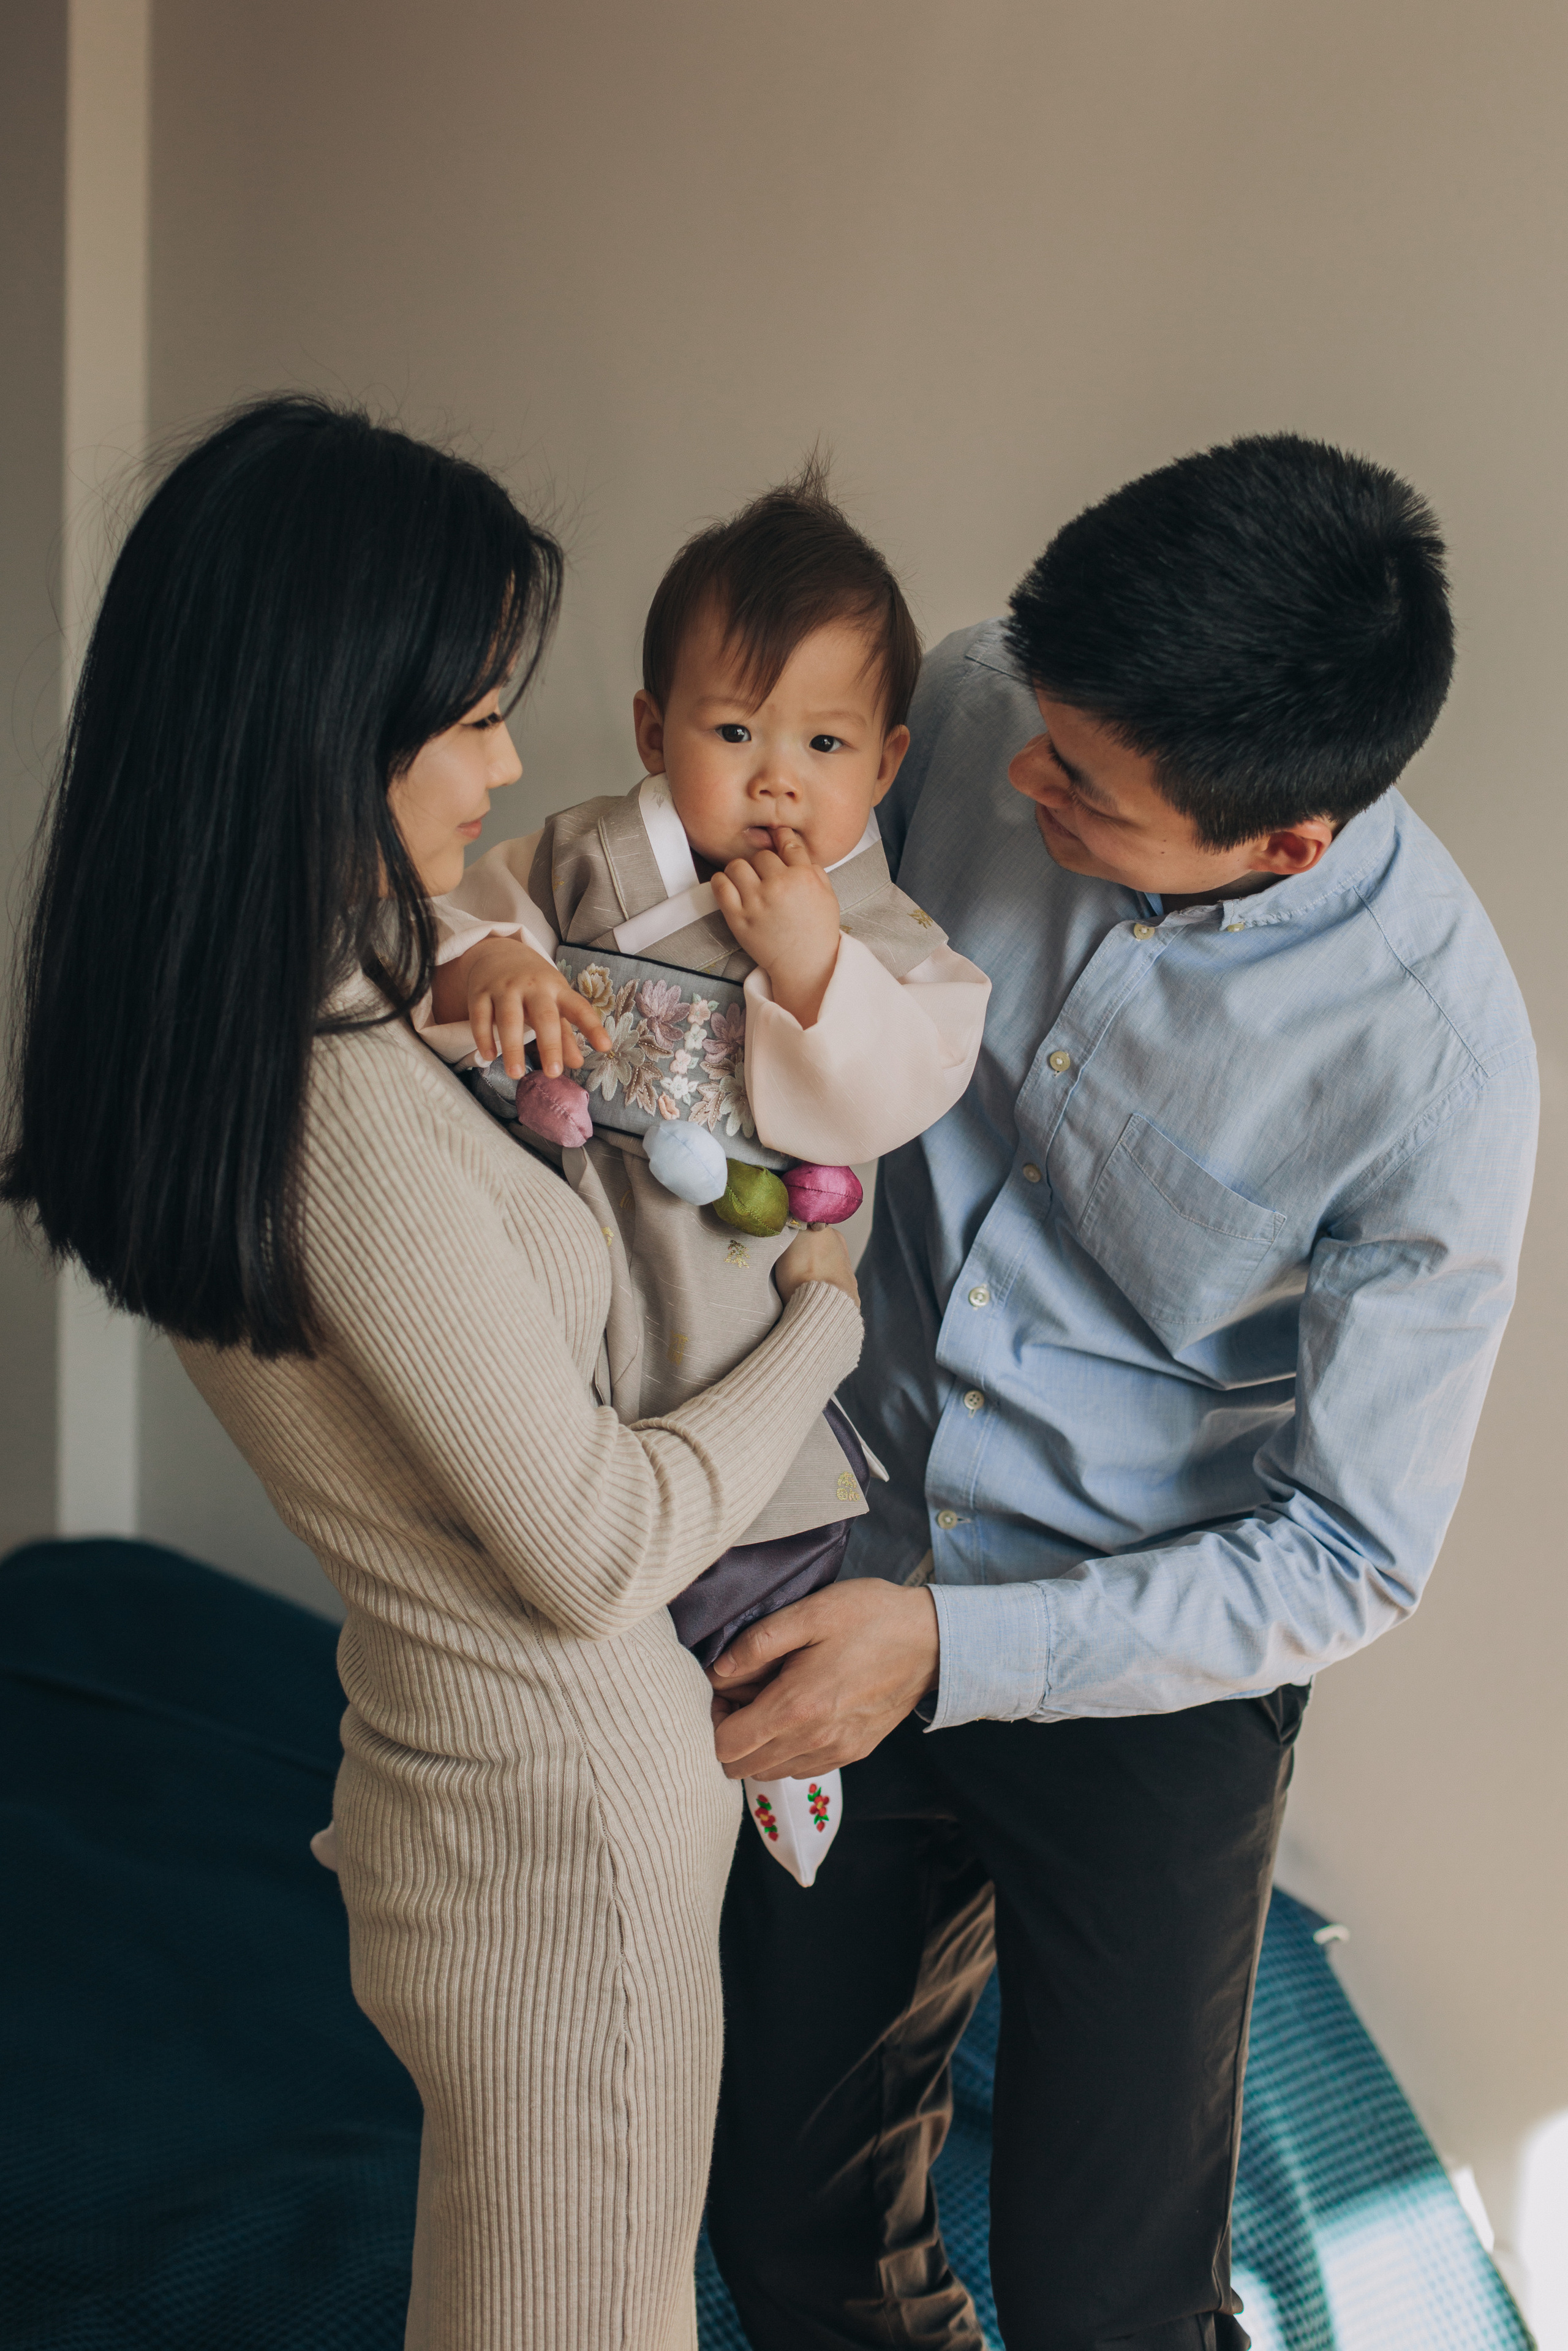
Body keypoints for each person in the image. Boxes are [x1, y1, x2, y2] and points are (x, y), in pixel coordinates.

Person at [1, 395, 864, 2351]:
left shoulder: (252, 1010)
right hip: (555, 1814)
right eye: (473, 713)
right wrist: (824, 1317)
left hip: (461, 1791)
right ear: (325, 722)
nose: (507, 760)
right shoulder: (342, 1096)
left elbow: (482, 938)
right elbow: (587, 1542)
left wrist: (481, 964)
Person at [703, 434, 1539, 2350]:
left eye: (1083, 787)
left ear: (1284, 843)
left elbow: (1351, 1548)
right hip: (847, 1537)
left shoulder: (1441, 1070)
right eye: (1035, 728)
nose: (1013, 779)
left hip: (1147, 1648)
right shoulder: (1003, 688)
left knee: (1114, 2298)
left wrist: (949, 1645)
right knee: (782, 2215)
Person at [419, 466, 990, 1876]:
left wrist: (810, 965)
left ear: (889, 762)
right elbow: (445, 917)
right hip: (564, 1282)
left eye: (823, 742)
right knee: (537, 1587)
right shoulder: (589, 859)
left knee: (751, 1601)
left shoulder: (888, 935)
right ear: (651, 726)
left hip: (739, 1325)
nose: (775, 776)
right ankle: (549, 1806)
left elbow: (893, 1088)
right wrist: (479, 952)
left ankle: (755, 1787)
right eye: (732, 729)